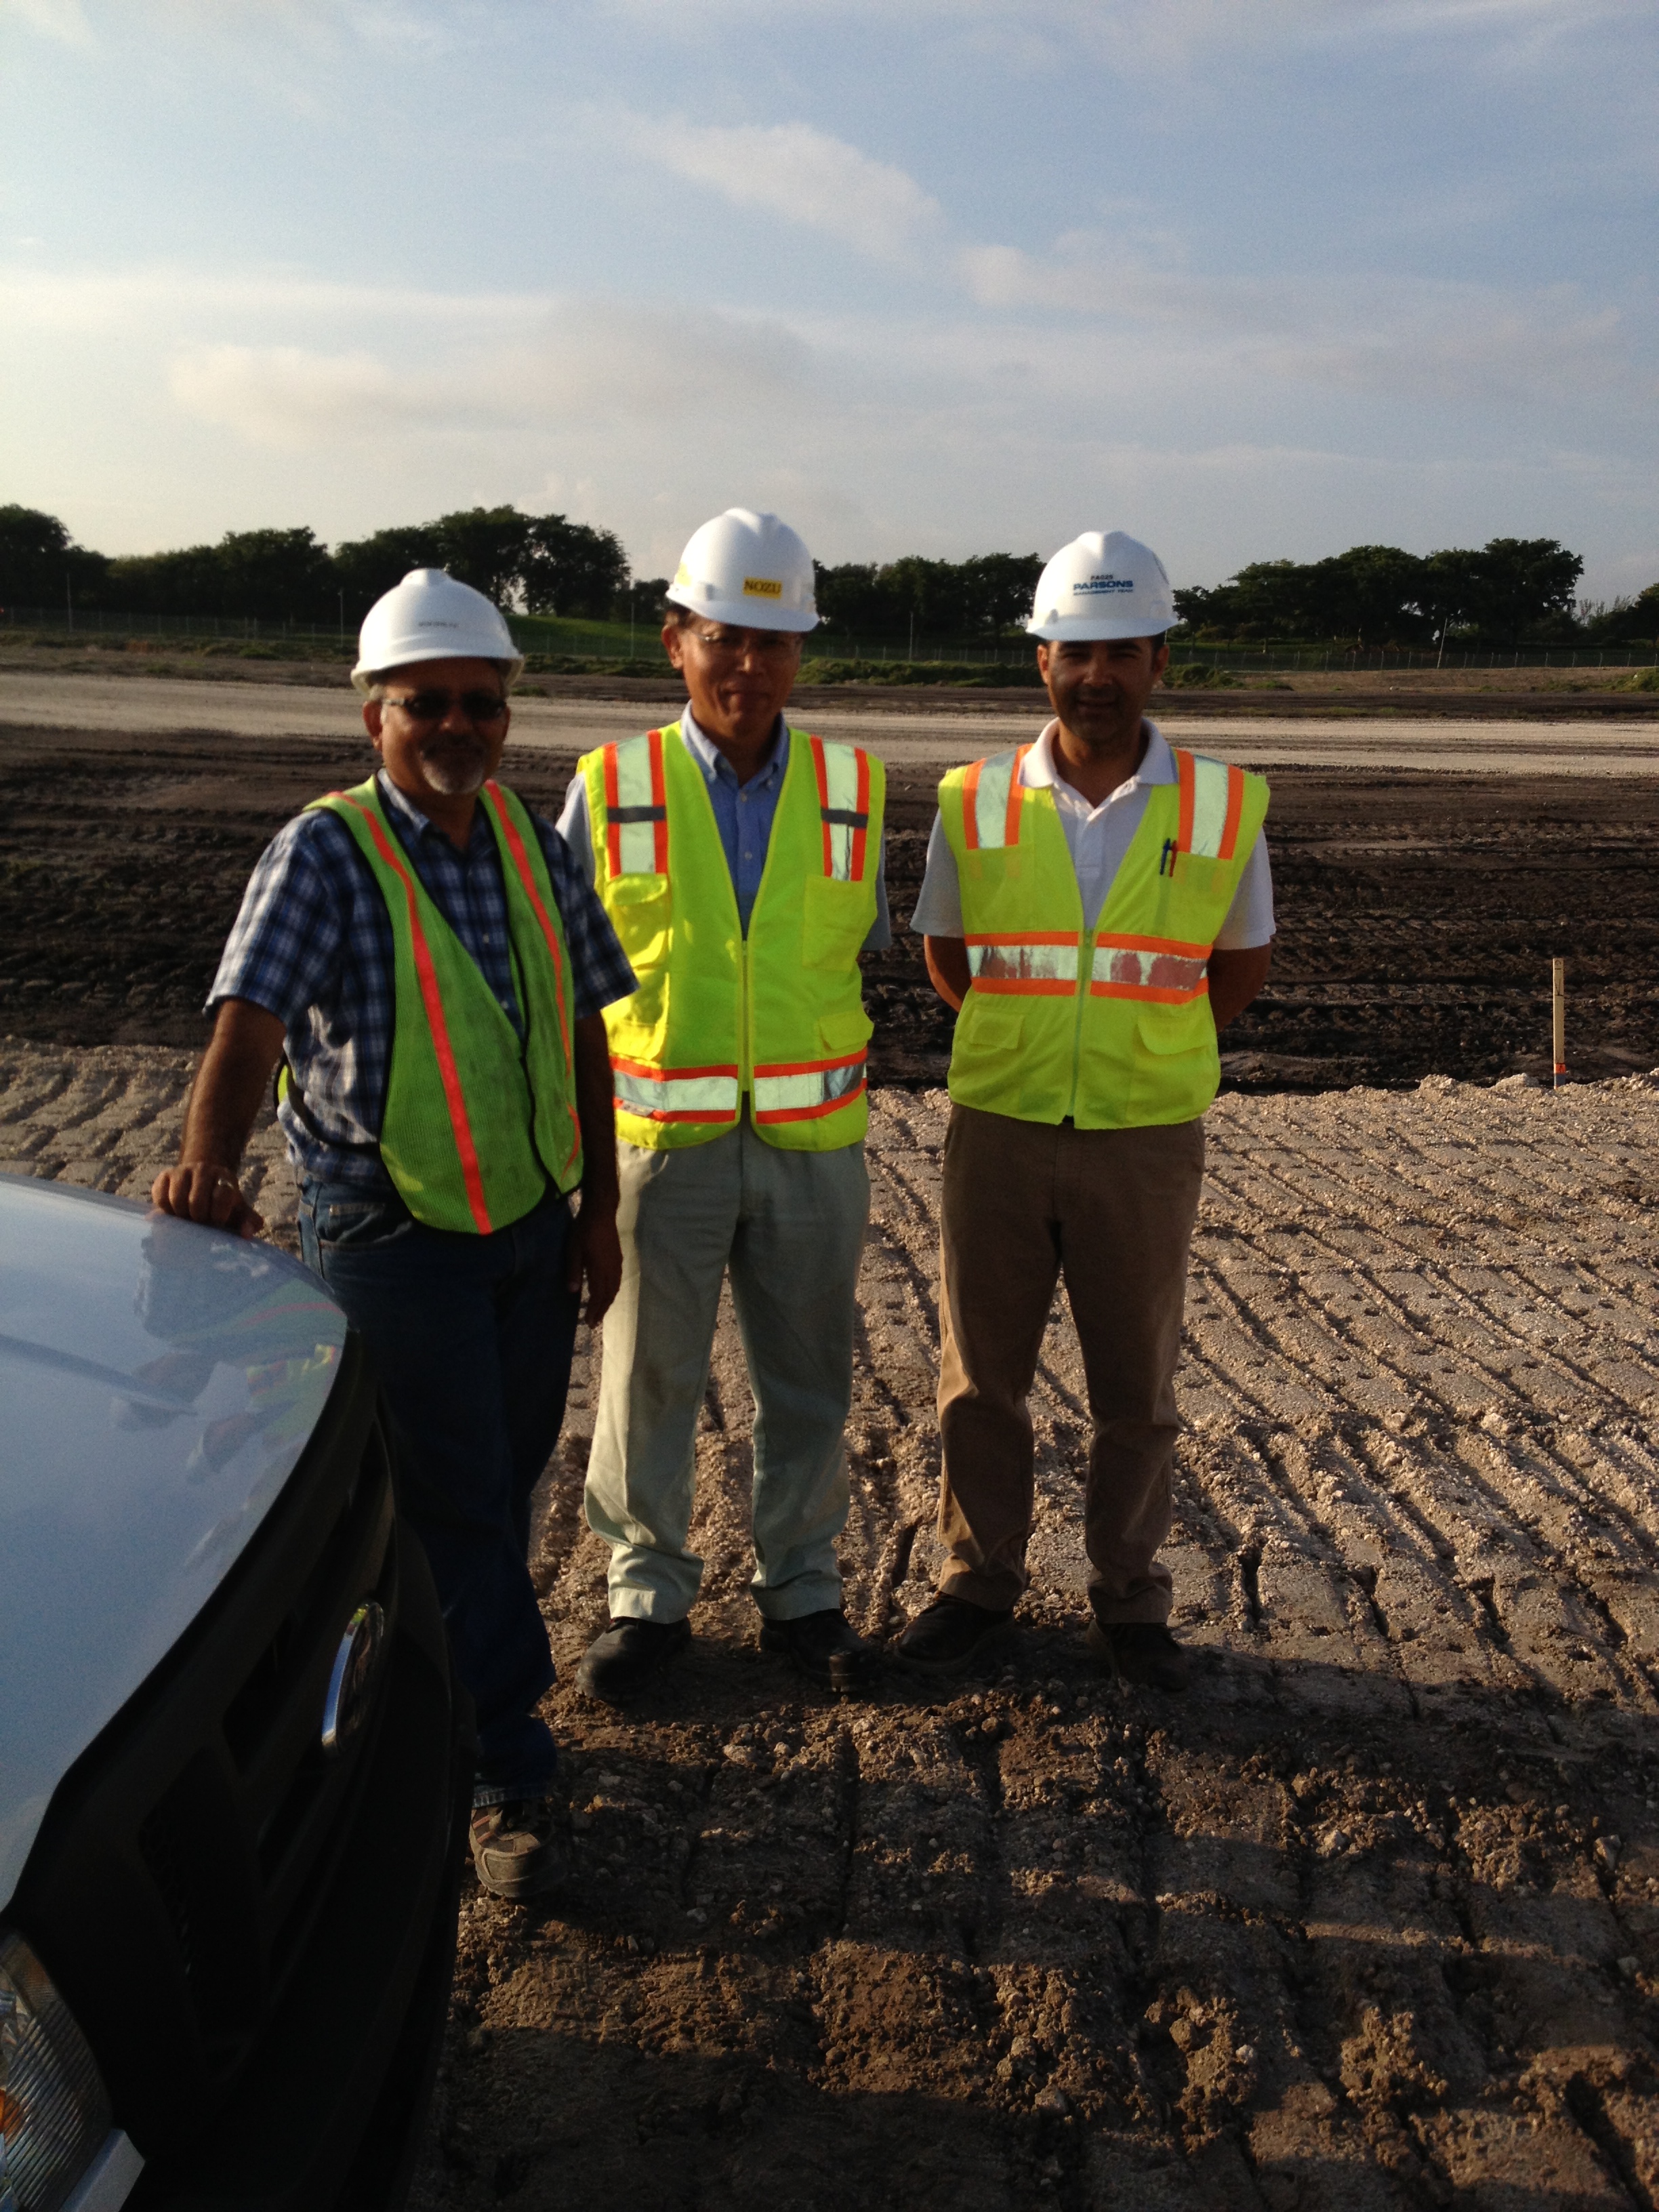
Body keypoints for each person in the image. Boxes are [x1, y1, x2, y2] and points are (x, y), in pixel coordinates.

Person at [150, 567, 635, 1900]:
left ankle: (409, 1703)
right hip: (391, 1229)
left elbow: (589, 1023)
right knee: (456, 1496)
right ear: (376, 715)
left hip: (530, 1226)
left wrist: (597, 1210)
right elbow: (247, 1026)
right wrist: (206, 1167)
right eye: (429, 703)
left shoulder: (533, 845)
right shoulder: (327, 851)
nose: (460, 725)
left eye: (483, 703)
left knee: (502, 1477)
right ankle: (501, 1763)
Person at [895, 531, 1274, 1687]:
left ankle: (1129, 1598)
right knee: (980, 1378)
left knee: (1136, 1388)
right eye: (1075, 651)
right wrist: (1028, 1043)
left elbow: (1237, 970)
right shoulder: (974, 799)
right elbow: (946, 958)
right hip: (1001, 1128)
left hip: (1144, 1138)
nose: (1096, 674)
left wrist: (1131, 1051)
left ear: (1160, 660)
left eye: (1121, 651)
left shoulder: (1222, 805)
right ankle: (977, 1585)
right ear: (1042, 662)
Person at [556, 508, 889, 1702]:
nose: (750, 665)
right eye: (725, 637)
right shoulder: (609, 785)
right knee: (647, 1374)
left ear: (802, 652)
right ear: (675, 641)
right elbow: (563, 989)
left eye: (775, 641)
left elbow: (867, 955)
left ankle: (803, 1596)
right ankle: (646, 1599)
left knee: (808, 1383)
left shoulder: (857, 791)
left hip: (811, 1149)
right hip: (662, 1146)